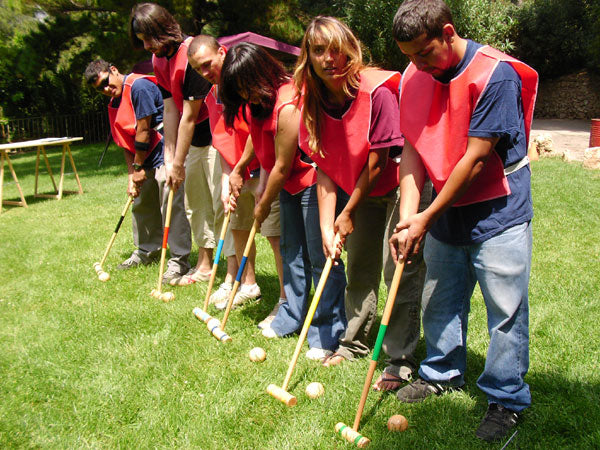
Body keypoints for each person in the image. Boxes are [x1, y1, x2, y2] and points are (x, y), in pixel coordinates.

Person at [390, 0, 538, 442]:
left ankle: (506, 397)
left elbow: (476, 161)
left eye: (423, 52)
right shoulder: (415, 77)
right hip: (444, 210)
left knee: (505, 310)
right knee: (441, 297)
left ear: (448, 32)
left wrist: (425, 217)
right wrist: (407, 218)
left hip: (498, 209)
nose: (416, 65)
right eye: (408, 57)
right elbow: (413, 149)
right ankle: (441, 371)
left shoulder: (496, 74)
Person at [295, 16, 430, 386]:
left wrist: (347, 211)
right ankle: (353, 344)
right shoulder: (312, 102)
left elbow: (378, 162)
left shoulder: (377, 92)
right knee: (359, 269)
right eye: (319, 50)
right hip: (359, 192)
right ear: (308, 56)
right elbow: (323, 166)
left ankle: (399, 359)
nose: (329, 58)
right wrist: (327, 225)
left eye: (336, 49)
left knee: (397, 268)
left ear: (350, 49)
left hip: (399, 185)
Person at [220, 42, 347, 360]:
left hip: (311, 183)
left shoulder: (288, 102)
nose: (244, 95)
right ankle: (292, 316)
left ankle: (327, 331)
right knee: (291, 254)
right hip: (288, 188)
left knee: (322, 258)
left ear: (260, 74)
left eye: (245, 86)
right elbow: (257, 139)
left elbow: (282, 164)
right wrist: (239, 169)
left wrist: (262, 203)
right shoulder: (256, 102)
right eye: (238, 90)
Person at [129, 3, 239, 288]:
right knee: (196, 205)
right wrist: (169, 157)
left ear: (162, 29)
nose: (146, 45)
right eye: (141, 40)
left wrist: (177, 163)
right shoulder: (158, 61)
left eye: (148, 37)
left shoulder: (191, 54)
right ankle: (203, 264)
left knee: (219, 205)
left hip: (214, 137)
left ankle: (231, 269)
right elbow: (170, 110)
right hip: (191, 144)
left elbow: (190, 116)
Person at [187, 35, 287, 313]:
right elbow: (223, 141)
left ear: (222, 52)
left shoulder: (248, 83)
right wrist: (225, 178)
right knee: (240, 227)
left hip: (263, 169)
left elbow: (260, 132)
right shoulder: (212, 96)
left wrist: (248, 170)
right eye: (198, 70)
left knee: (273, 234)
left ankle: (285, 299)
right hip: (236, 173)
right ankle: (248, 283)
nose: (205, 73)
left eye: (208, 64)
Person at [84, 59, 191, 277]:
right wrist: (132, 174)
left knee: (170, 203)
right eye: (100, 89)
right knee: (141, 202)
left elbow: (144, 130)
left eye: (106, 81)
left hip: (163, 149)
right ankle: (146, 250)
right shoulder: (114, 102)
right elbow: (124, 140)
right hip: (142, 155)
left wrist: (138, 166)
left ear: (114, 70)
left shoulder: (138, 87)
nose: (106, 89)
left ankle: (179, 260)